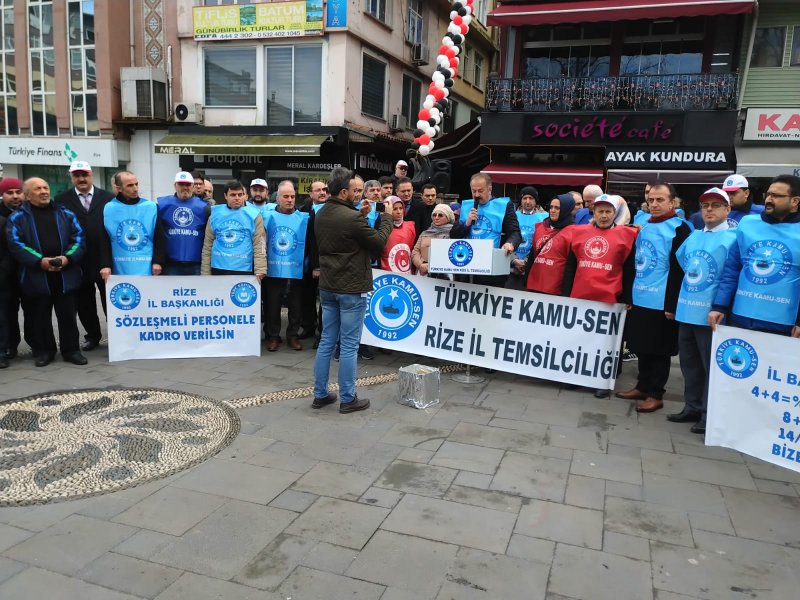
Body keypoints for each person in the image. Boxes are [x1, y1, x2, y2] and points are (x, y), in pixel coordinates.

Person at [312, 167, 393, 414]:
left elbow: (345, 233)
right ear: (343, 192)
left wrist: (360, 214)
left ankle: (320, 394)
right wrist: (386, 218)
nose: (357, 194)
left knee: (327, 340)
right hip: (351, 287)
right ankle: (348, 398)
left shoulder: (321, 213)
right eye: (354, 190)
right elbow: (378, 243)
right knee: (349, 345)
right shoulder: (351, 217)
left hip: (328, 285)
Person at [616, 182, 691, 413]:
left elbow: (679, 270)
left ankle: (656, 394)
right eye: (651, 200)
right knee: (642, 345)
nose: (654, 204)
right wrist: (628, 295)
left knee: (659, 349)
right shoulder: (644, 226)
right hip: (640, 296)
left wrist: (672, 304)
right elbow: (634, 262)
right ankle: (642, 385)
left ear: (672, 202)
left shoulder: (680, 229)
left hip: (662, 301)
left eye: (660, 200)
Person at [670, 187, 736, 435]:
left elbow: (731, 276)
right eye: (705, 205)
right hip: (687, 309)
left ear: (727, 209)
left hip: (711, 314)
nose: (709, 210)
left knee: (711, 367)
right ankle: (692, 406)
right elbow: (683, 263)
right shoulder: (695, 235)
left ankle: (709, 413)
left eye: (716, 205)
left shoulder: (733, 238)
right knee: (689, 364)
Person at [6, 178, 87, 367]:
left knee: (68, 315)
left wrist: (67, 258)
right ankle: (45, 351)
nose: (43, 191)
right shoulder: (17, 218)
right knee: (40, 316)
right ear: (27, 195)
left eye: (45, 187)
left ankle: (71, 350)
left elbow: (79, 239)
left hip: (65, 275)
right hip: (36, 276)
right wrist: (39, 261)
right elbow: (16, 244)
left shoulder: (66, 213)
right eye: (37, 189)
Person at [562, 195, 638, 397]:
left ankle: (603, 380)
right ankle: (577, 375)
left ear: (614, 213)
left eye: (608, 211)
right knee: (579, 338)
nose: (604, 216)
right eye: (600, 211)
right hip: (581, 295)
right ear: (593, 213)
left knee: (607, 342)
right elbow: (571, 265)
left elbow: (629, 269)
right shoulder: (579, 233)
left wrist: (627, 298)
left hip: (610, 298)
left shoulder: (626, 235)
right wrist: (565, 293)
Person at [709, 174, 800, 338]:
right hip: (740, 317)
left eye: (776, 196)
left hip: (783, 324)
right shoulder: (747, 223)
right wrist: (719, 306)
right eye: (768, 194)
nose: (769, 199)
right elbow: (732, 269)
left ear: (795, 201)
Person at [54, 161, 115, 351]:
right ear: (71, 177)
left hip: (104, 257)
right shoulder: (62, 199)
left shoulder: (108, 198)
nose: (81, 179)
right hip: (78, 260)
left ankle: (117, 335)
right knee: (84, 301)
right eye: (77, 175)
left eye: (85, 174)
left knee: (111, 299)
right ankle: (93, 335)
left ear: (91, 175)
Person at [453, 173, 521, 287]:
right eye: (473, 191)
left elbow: (515, 233)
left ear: (489, 189)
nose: (476, 195)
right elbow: (453, 234)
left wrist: (510, 243)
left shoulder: (503, 206)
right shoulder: (466, 206)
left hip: (492, 269)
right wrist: (467, 223)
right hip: (466, 266)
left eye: (480, 191)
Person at [263, 181, 308, 352]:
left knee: (296, 304)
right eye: (286, 196)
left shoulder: (303, 218)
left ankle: (293, 335)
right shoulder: (267, 217)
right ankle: (273, 336)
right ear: (277, 198)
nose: (290, 200)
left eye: (292, 196)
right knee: (272, 304)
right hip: (273, 268)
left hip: (296, 268)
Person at [100, 171, 165, 280]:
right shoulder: (109, 209)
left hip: (146, 267)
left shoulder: (151, 207)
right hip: (119, 267)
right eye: (130, 185)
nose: (135, 189)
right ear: (119, 188)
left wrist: (158, 261)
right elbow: (103, 239)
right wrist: (105, 265)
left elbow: (159, 237)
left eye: (136, 184)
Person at [200, 180, 266, 280]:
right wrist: (205, 273)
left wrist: (260, 269)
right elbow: (207, 246)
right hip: (218, 268)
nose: (237, 198)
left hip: (244, 270)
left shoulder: (254, 215)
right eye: (233, 195)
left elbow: (259, 244)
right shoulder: (215, 214)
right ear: (225, 196)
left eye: (240, 194)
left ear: (244, 195)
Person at [514, 193, 576, 295]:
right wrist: (526, 283)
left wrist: (565, 294)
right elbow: (532, 257)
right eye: (551, 207)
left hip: (555, 289)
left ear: (566, 209)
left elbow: (571, 267)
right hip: (534, 285)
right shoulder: (541, 227)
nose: (552, 210)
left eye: (557, 208)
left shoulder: (574, 232)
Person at [157, 171, 210, 276]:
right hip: (170, 264)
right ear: (175, 186)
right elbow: (156, 234)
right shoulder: (162, 205)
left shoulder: (205, 207)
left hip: (196, 264)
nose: (185, 188)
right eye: (181, 184)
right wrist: (157, 260)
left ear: (193, 186)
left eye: (188, 184)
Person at [299, 180, 330, 345]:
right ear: (310, 194)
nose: (322, 192)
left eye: (324, 189)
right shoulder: (303, 211)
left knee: (325, 300)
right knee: (307, 296)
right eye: (318, 190)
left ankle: (322, 333)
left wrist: (317, 265)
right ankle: (308, 327)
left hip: (324, 262)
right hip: (305, 262)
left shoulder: (332, 210)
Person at [1, 177, 26, 360]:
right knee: (7, 312)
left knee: (34, 312)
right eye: (10, 193)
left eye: (18, 192)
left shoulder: (30, 212)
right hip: (5, 275)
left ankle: (38, 345)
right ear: (2, 195)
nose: (15, 196)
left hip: (29, 271)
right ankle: (9, 346)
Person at [411, 203, 456, 276]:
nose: (436, 217)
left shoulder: (453, 233)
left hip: (443, 274)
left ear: (448, 218)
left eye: (440, 215)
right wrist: (420, 264)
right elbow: (415, 251)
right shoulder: (425, 233)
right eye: (434, 215)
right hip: (423, 272)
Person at [380, 197, 416, 273]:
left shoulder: (411, 226)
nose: (399, 212)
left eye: (401, 208)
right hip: (386, 273)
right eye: (394, 209)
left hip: (407, 273)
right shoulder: (381, 228)